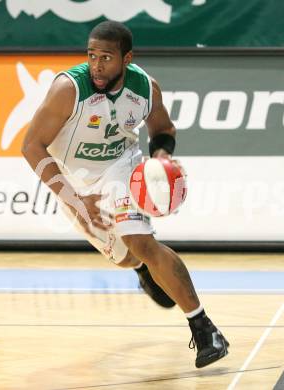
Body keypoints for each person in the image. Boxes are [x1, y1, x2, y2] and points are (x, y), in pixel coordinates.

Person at [22, 20, 229, 368]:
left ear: (126, 58)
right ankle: (142, 269)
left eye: (106, 57)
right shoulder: (68, 89)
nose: (97, 65)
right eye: (91, 55)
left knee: (142, 242)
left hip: (122, 167)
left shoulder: (145, 88)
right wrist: (74, 199)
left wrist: (161, 161)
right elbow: (31, 146)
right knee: (126, 257)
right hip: (76, 181)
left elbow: (162, 130)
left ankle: (205, 328)